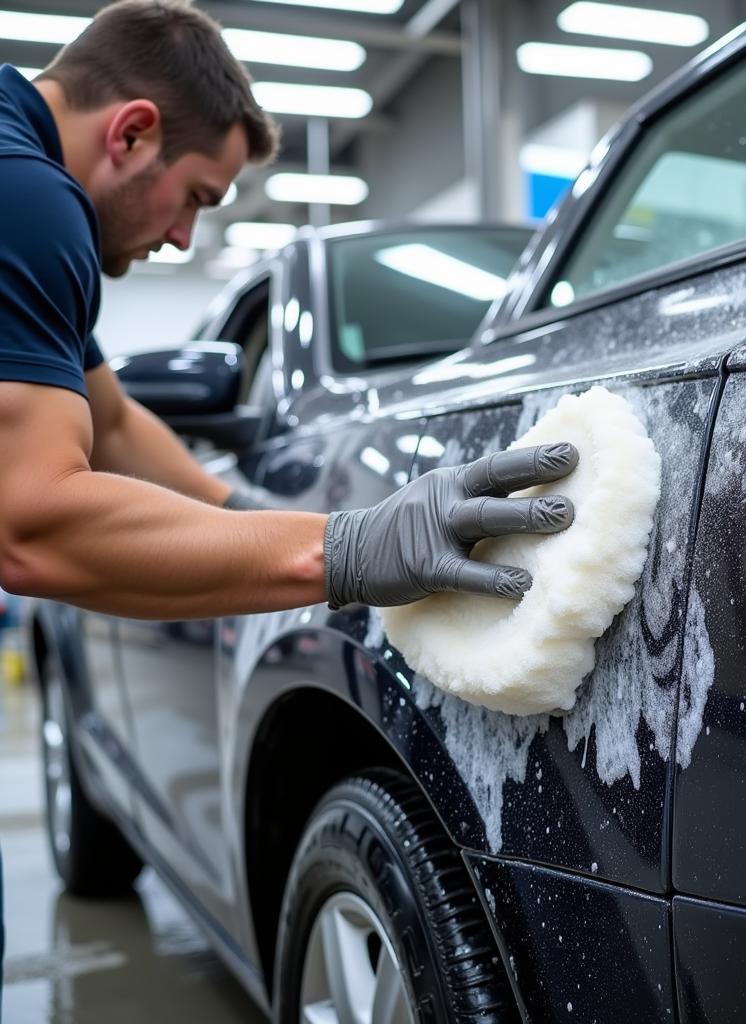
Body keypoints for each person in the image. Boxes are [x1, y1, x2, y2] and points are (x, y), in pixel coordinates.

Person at [0, 0, 577, 1008]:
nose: (183, 236)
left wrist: (245, 505)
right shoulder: (31, 199)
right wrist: (342, 544)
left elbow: (118, 422)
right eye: (195, 197)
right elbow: (34, 522)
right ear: (131, 131)